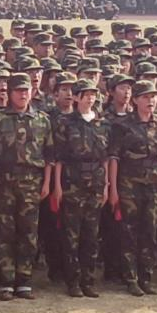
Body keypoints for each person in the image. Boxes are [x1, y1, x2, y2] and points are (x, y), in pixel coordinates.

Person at [0, 72, 53, 301]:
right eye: (18, 90)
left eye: (26, 90)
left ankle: (24, 280)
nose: (22, 94)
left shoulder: (42, 119)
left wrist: (47, 183)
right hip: (3, 182)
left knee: (28, 232)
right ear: (10, 93)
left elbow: (49, 155)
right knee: (4, 232)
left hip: (32, 183)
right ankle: (6, 281)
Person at [108, 80, 157, 296]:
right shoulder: (122, 126)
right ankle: (131, 278)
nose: (150, 100)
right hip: (130, 185)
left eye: (153, 96)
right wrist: (113, 189)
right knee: (129, 232)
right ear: (135, 100)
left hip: (154, 185)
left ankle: (146, 277)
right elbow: (114, 158)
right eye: (145, 97)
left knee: (150, 231)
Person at [51, 79, 110, 298]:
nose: (90, 98)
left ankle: (88, 280)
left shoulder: (102, 124)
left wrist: (106, 186)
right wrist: (57, 186)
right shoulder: (66, 124)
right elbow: (59, 158)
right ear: (76, 97)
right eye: (86, 94)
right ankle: (73, 281)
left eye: (93, 94)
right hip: (72, 183)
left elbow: (105, 158)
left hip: (95, 183)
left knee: (91, 235)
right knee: (71, 235)